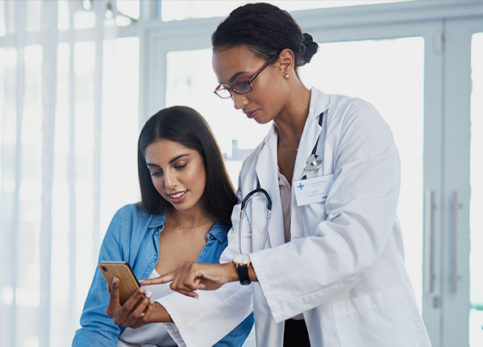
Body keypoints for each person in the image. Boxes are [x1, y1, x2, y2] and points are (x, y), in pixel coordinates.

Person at [141, 3, 432, 347]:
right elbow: (235, 281)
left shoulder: (354, 125)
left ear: (285, 63)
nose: (236, 102)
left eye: (244, 83)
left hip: (362, 331)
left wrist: (238, 270)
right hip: (288, 336)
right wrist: (156, 311)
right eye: (227, 89)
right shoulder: (255, 168)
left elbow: (352, 244)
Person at [72, 106, 254, 347]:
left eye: (180, 166)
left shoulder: (238, 236)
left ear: (207, 158)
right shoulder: (128, 222)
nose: (169, 183)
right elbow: (97, 325)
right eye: (156, 172)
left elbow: (227, 338)